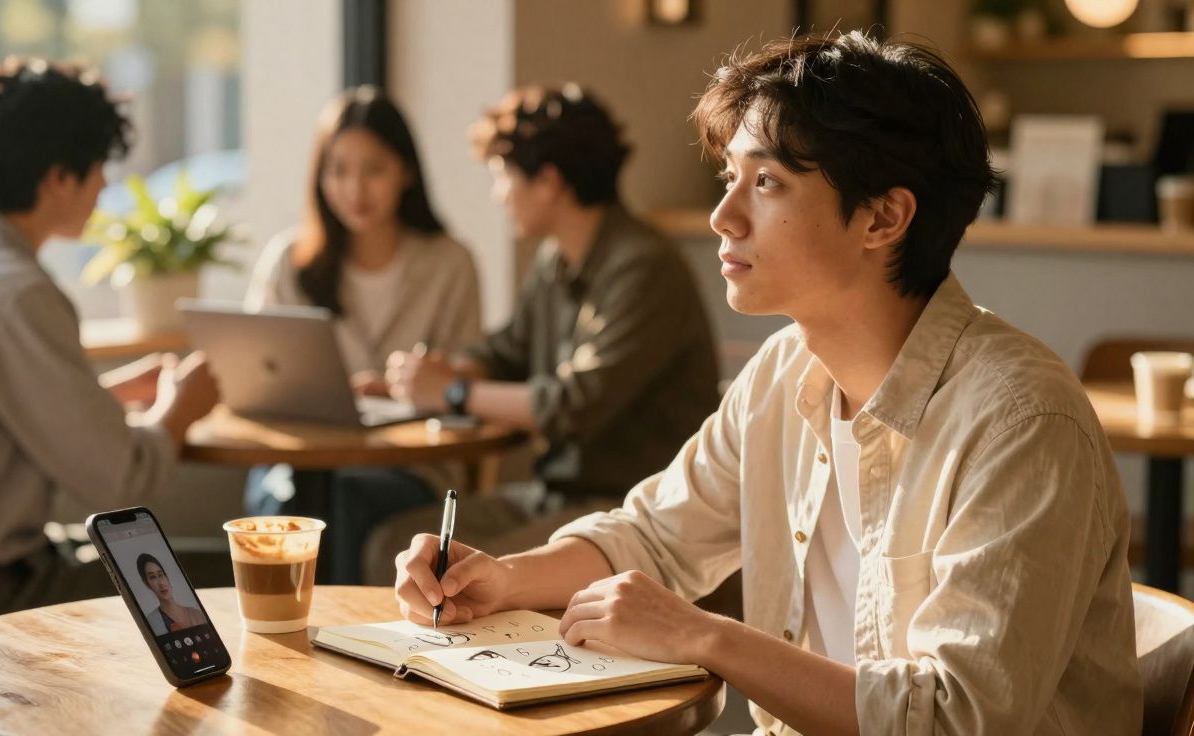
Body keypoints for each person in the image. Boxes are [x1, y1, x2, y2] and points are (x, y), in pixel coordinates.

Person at [392, 33, 1141, 735]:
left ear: (884, 217)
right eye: (730, 178)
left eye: (767, 183)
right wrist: (501, 579)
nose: (723, 216)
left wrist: (703, 636)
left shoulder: (1022, 422)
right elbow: (654, 536)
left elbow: (954, 717)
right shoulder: (785, 372)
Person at [0, 58, 219, 653]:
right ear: (59, 177)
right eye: (98, 169)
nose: (104, 188)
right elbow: (119, 479)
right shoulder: (17, 293)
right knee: (235, 580)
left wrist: (104, 395)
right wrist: (180, 407)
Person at [376, 85, 720, 583]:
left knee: (455, 573)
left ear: (549, 181)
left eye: (504, 177)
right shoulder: (556, 258)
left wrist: (453, 393)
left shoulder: (644, 267)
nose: (498, 194)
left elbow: (575, 404)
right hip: (556, 494)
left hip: (630, 507)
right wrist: (434, 375)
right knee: (390, 544)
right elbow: (508, 349)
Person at [242, 86, 481, 584]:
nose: (355, 189)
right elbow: (256, 379)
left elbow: (465, 381)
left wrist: (400, 391)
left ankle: (347, 627)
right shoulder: (289, 262)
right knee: (288, 498)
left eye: (374, 169)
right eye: (338, 170)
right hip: (301, 458)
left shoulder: (449, 263)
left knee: (345, 494)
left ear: (406, 172)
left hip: (409, 465)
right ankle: (282, 630)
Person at [137, 554, 206, 634]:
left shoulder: (197, 614)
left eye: (160, 575)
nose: (161, 583)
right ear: (146, 584)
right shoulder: (152, 621)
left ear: (166, 576)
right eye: (153, 577)